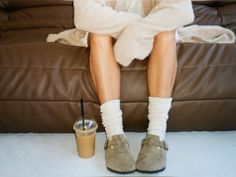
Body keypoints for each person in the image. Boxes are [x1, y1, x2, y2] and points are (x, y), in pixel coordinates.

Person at [82, 0, 193, 174]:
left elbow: (183, 11)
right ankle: (114, 137)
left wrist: (140, 30)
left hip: (154, 31)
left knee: (166, 32)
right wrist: (136, 26)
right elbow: (84, 14)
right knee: (98, 34)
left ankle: (156, 136)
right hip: (111, 28)